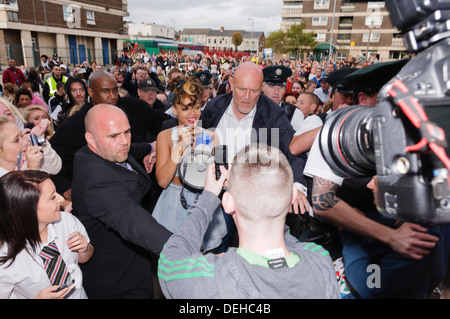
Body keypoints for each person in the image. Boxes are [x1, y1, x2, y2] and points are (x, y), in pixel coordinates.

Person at [158, 143, 340, 299]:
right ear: (291, 198)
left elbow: (169, 263)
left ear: (228, 203)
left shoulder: (214, 277)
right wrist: (275, 200)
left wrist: (209, 197)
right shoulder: (320, 260)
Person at [201, 62, 310, 252]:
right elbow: (197, 137)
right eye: (242, 89)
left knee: (255, 255)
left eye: (254, 91)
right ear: (231, 84)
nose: (247, 97)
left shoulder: (273, 114)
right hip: (218, 193)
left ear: (261, 88)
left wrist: (298, 186)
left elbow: (292, 149)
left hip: (255, 196)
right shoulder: (214, 107)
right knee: (215, 250)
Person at [71, 104, 172, 299]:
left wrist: (153, 147)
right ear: (90, 138)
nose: (124, 141)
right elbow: (133, 220)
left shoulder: (98, 150)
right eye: (114, 136)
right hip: (118, 281)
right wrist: (183, 251)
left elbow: (131, 149)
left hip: (133, 261)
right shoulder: (97, 180)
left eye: (127, 132)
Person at [340, 176, 450, 299]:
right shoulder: (438, 219)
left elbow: (371, 286)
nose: (369, 185)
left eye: (378, 182)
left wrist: (350, 235)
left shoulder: (415, 239)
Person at [152, 76, 226, 253]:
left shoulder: (213, 136)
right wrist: (179, 147)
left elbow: (221, 173)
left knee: (205, 264)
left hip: (204, 201)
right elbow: (162, 181)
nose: (192, 113)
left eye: (196, 107)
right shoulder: (164, 136)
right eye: (185, 108)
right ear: (174, 110)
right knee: (175, 260)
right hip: (173, 204)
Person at [0, 170, 93, 299]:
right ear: (28, 209)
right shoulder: (5, 255)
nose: (61, 198)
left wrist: (84, 248)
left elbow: (84, 258)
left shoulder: (66, 221)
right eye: (52, 197)